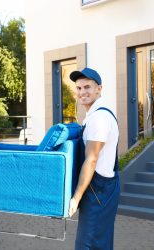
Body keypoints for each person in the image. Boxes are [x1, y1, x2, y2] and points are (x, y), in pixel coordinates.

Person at [68, 67, 120, 250]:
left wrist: (76, 198)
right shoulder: (94, 115)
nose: (82, 92)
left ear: (99, 89)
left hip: (99, 190)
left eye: (87, 87)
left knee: (88, 245)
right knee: (100, 242)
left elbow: (91, 160)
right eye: (79, 88)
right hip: (102, 188)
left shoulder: (99, 119)